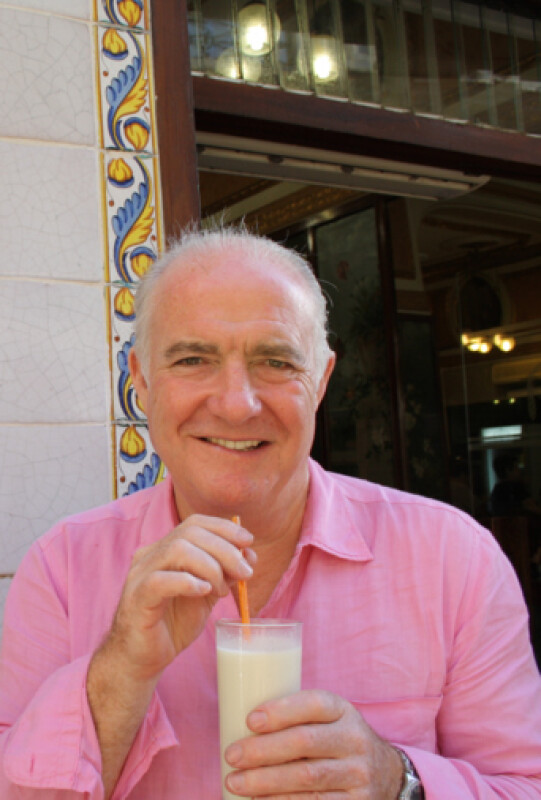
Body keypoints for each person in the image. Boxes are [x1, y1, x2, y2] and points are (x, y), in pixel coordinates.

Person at [0, 225, 540, 800]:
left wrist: (399, 781)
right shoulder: (63, 569)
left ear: (321, 381)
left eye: (276, 361)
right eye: (193, 359)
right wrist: (121, 668)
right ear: (141, 381)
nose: (237, 404)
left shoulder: (453, 560)